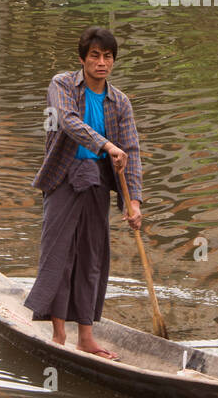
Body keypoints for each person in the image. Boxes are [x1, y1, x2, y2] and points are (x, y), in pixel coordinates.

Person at [26, 27, 143, 360]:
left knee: (92, 257)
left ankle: (86, 337)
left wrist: (133, 201)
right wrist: (106, 144)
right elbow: (68, 121)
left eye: (107, 57)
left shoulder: (119, 102)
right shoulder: (62, 84)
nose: (101, 62)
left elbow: (130, 150)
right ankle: (59, 333)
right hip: (63, 177)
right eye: (95, 55)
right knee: (60, 253)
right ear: (82, 59)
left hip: (96, 179)